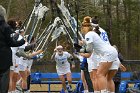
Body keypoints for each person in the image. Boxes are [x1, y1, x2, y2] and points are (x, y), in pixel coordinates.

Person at [76, 16, 120, 93]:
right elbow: (93, 45)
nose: (81, 30)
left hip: (107, 53)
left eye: (82, 28)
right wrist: (83, 45)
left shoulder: (89, 34)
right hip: (111, 51)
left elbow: (89, 50)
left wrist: (80, 50)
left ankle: (103, 91)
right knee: (107, 78)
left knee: (99, 75)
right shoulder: (96, 31)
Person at [0, 5, 25, 93]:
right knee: (4, 79)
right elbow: (11, 43)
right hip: (4, 58)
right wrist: (22, 41)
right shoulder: (5, 27)